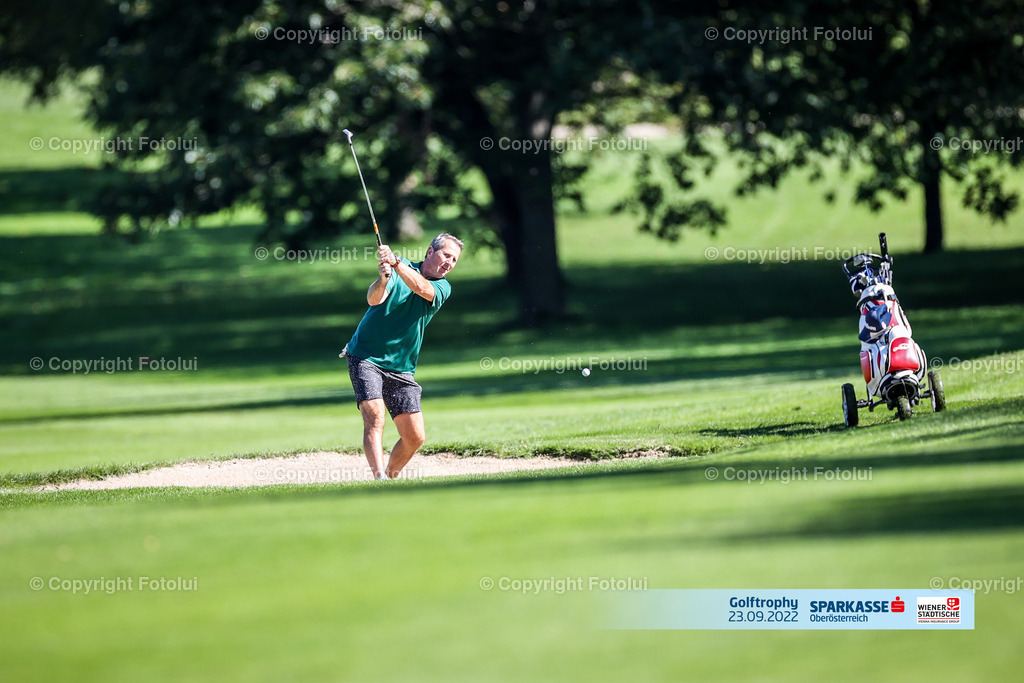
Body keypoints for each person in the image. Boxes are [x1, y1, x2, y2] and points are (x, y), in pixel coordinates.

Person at [343, 233, 463, 479]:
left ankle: (390, 476)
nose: (449, 262)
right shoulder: (400, 267)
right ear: (430, 252)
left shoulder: (442, 287)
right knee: (375, 416)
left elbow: (421, 288)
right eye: (446, 255)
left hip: (401, 367)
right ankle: (379, 480)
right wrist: (384, 278)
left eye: (454, 260)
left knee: (415, 437)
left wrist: (395, 262)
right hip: (365, 355)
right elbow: (373, 299)